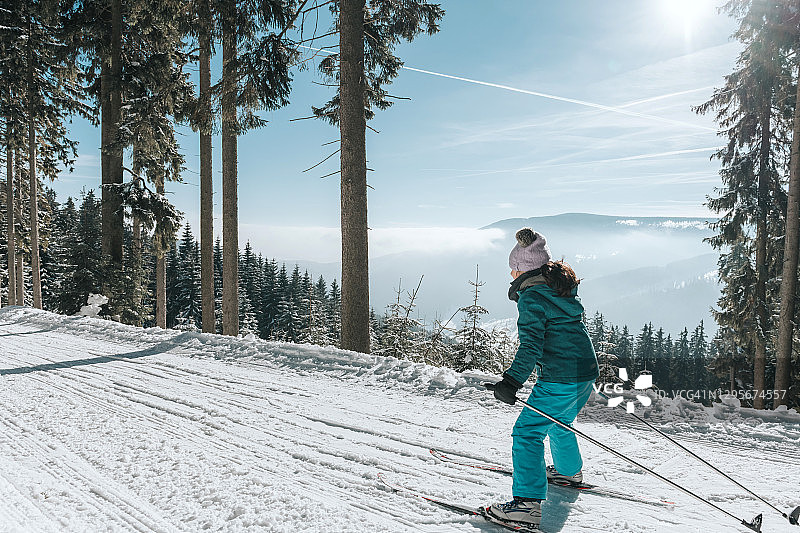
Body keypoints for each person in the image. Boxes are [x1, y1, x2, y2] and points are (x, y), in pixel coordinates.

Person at [484, 227, 599, 528]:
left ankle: (526, 505)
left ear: (524, 270)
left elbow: (531, 346)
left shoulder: (532, 297)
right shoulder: (558, 288)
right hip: (585, 372)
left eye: (513, 267)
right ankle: (568, 471)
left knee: (527, 432)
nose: (511, 273)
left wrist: (511, 382)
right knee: (559, 421)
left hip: (561, 376)